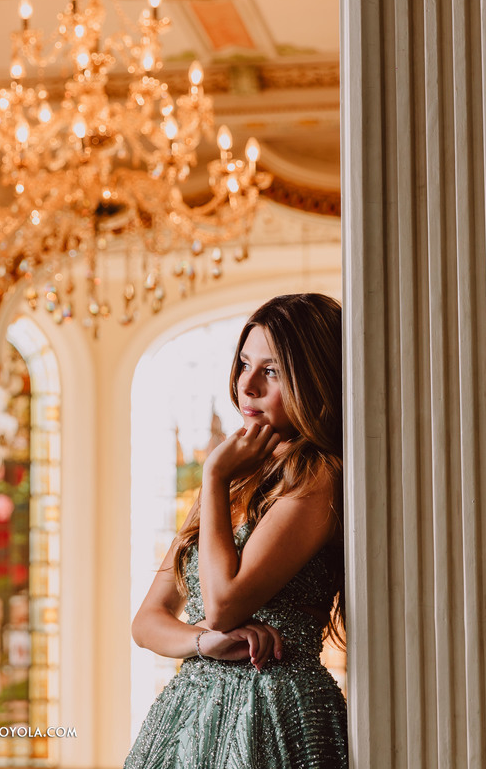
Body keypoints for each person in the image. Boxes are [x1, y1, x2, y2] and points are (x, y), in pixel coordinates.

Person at [124, 293, 348, 769]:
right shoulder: (237, 477)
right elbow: (147, 621)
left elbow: (225, 604)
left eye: (272, 371)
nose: (247, 386)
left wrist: (214, 477)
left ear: (314, 378)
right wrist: (203, 643)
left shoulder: (319, 478)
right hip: (189, 713)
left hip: (273, 710)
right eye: (244, 363)